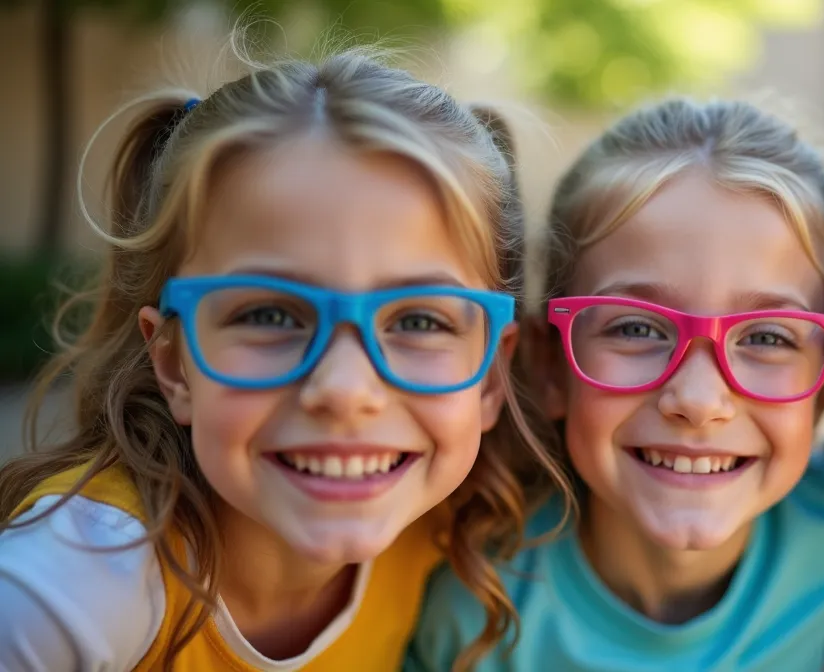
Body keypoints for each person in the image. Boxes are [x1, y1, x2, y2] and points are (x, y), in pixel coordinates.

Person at [0, 45, 567, 671]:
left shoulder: (455, 529)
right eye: (270, 316)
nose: (346, 389)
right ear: (173, 361)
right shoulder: (68, 591)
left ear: (489, 374)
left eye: (418, 320)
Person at [406, 97, 824, 671]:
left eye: (768, 338)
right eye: (637, 328)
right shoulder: (467, 603)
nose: (697, 401)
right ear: (550, 366)